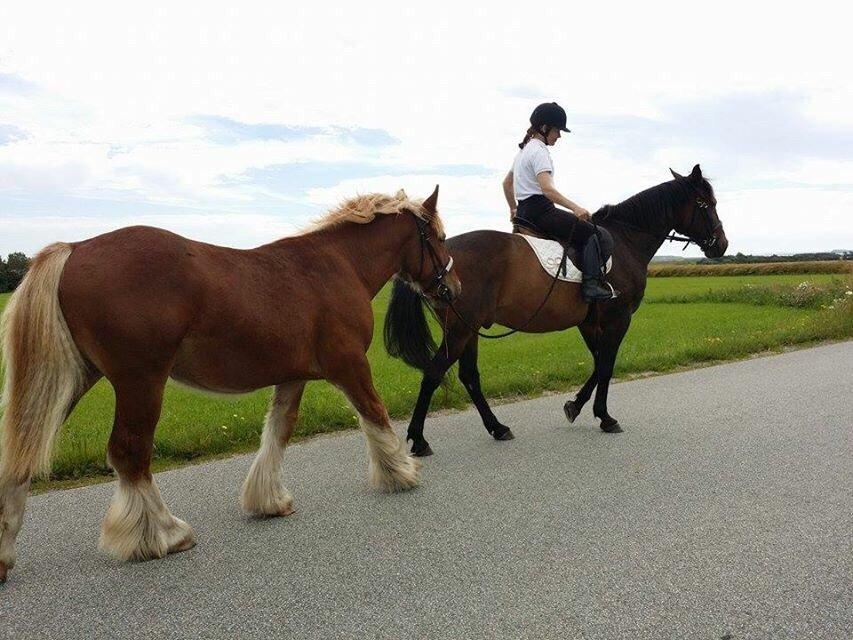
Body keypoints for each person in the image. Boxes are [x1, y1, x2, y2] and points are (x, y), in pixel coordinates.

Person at [503, 102, 616, 302]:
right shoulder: (539, 152)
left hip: (524, 214)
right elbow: (547, 190)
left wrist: (514, 208)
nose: (559, 136)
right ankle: (591, 286)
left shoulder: (522, 152)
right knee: (599, 235)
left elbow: (506, 183)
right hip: (541, 213)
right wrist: (576, 208)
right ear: (545, 128)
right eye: (557, 130)